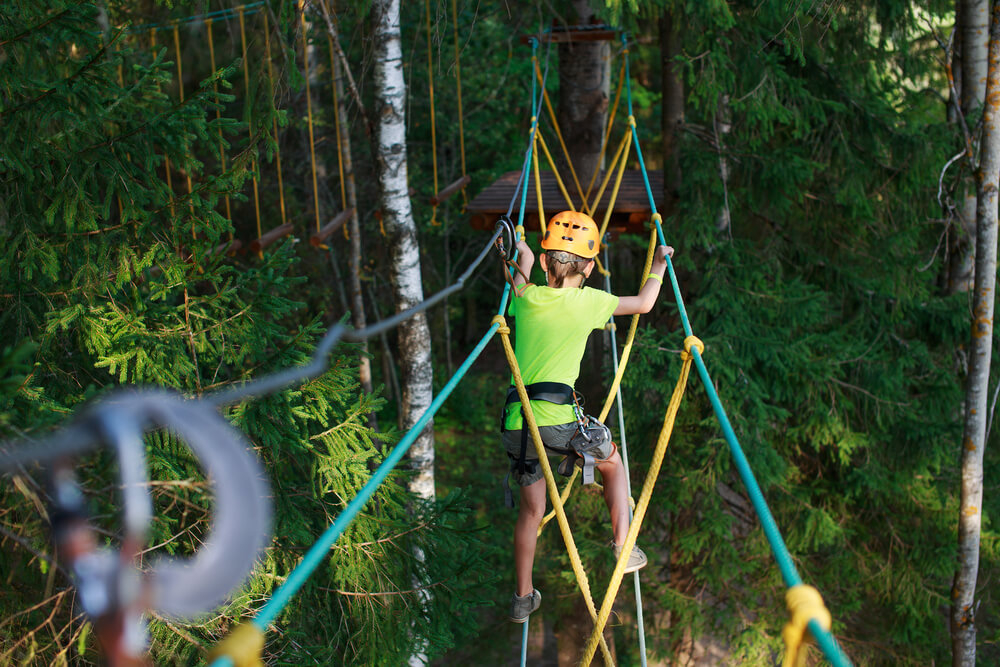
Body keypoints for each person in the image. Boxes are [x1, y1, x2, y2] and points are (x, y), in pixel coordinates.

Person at [502, 210, 673, 623]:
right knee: (613, 465)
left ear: (545, 263)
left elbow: (521, 279)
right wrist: (659, 263)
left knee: (531, 511)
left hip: (515, 428)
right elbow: (646, 303)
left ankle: (522, 598)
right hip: (558, 423)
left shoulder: (524, 299)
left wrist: (522, 253)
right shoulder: (590, 302)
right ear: (591, 267)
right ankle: (622, 547)